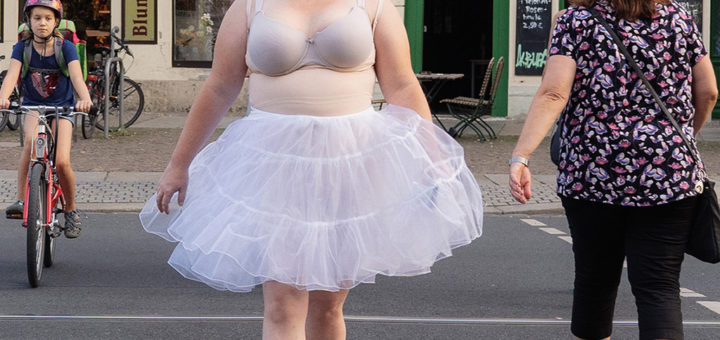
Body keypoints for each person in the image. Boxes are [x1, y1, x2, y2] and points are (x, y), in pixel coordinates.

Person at [139, 0, 483, 338]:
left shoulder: (375, 6)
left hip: (351, 164)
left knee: (328, 307)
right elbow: (219, 86)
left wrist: (434, 158)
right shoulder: (248, 6)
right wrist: (178, 164)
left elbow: (402, 85)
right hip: (272, 167)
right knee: (282, 305)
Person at [509, 1, 719, 339]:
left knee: (595, 281)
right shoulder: (680, 18)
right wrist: (678, 141)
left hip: (592, 176)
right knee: (659, 288)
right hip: (670, 176)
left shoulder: (575, 21)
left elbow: (553, 93)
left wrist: (521, 156)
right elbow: (708, 92)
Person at [1, 0, 92, 238]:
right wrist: (3, 97)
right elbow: (12, 75)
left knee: (61, 162)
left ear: (56, 22)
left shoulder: (66, 48)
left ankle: (71, 209)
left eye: (48, 18)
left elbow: (76, 77)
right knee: (30, 145)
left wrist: (84, 99)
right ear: (28, 21)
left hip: (63, 108)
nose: (42, 23)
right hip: (33, 106)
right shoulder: (22, 48)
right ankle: (21, 201)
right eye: (37, 18)